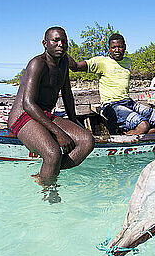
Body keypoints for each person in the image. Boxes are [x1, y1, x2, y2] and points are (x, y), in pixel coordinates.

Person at [7, 27, 94, 187]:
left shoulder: (64, 62)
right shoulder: (37, 64)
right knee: (53, 153)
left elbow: (67, 94)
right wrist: (59, 133)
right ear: (45, 44)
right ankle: (49, 191)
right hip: (23, 116)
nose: (61, 44)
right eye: (56, 40)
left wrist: (74, 121)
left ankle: (45, 174)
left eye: (64, 41)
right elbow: (28, 104)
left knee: (87, 141)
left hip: (44, 114)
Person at [68, 33, 155, 135]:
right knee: (143, 125)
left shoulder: (127, 62)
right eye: (114, 47)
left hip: (128, 102)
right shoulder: (101, 62)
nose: (117, 50)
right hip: (111, 105)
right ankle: (128, 139)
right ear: (109, 49)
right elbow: (76, 67)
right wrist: (63, 53)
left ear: (124, 47)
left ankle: (135, 136)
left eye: (120, 47)